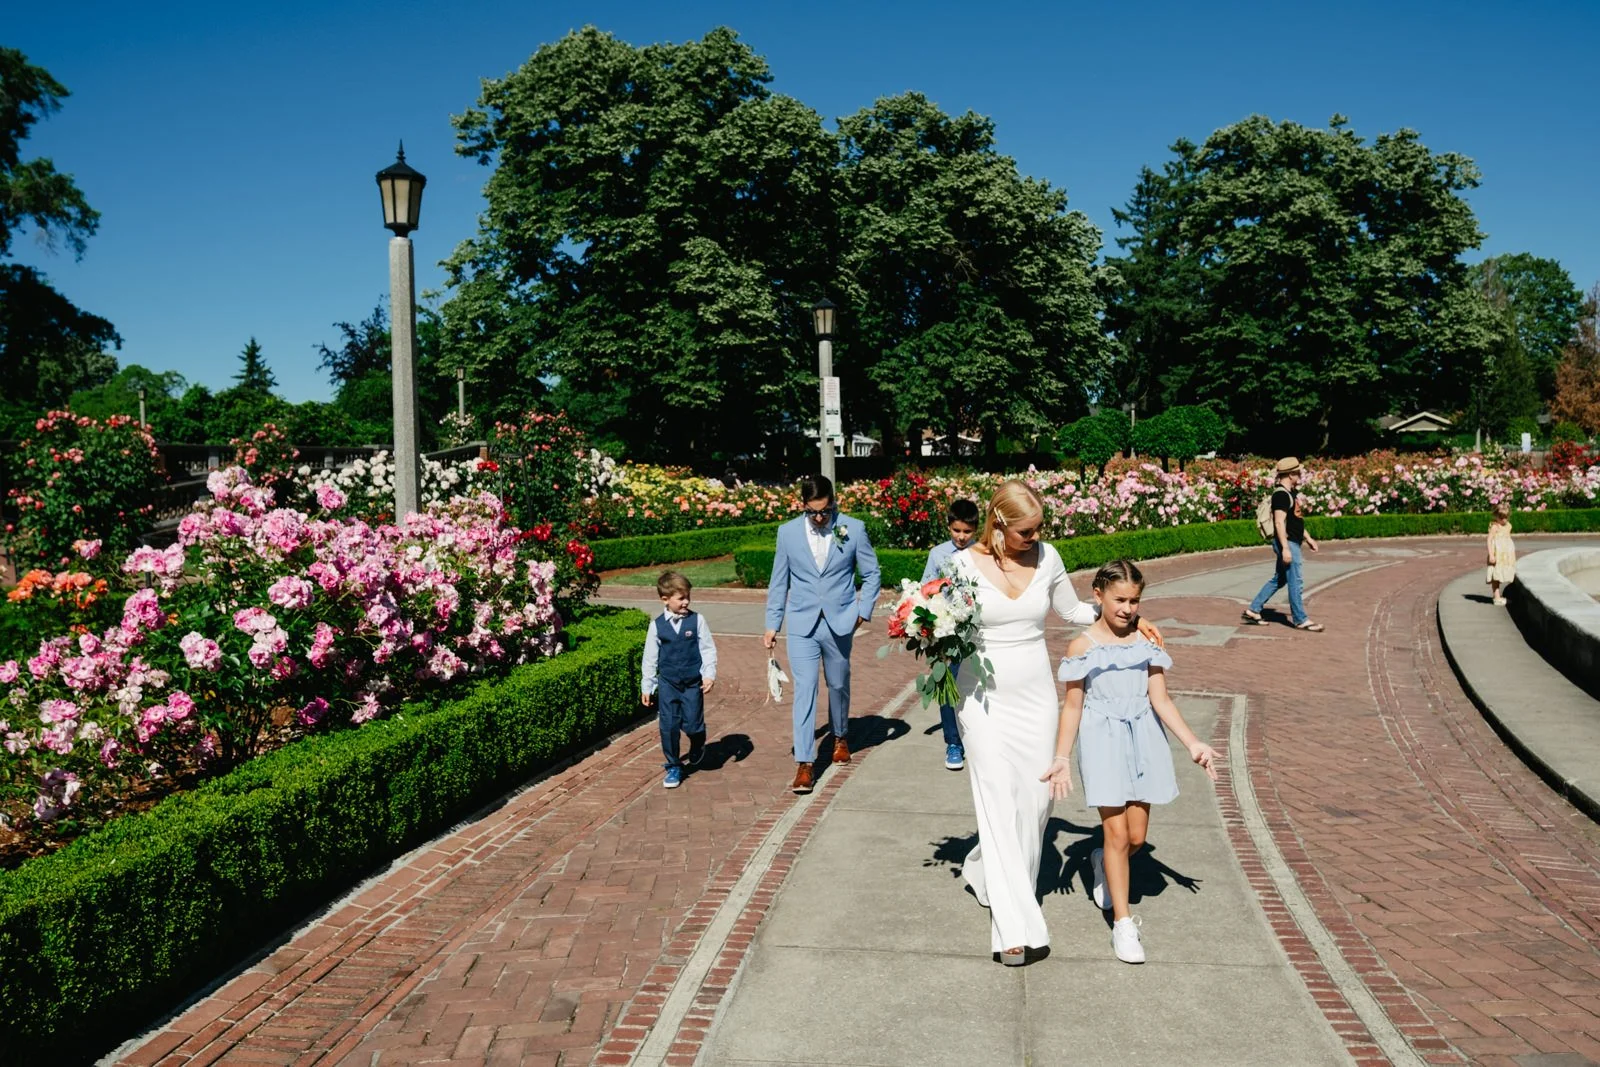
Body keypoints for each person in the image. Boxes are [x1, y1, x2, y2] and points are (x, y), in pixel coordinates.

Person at [949, 480, 1162, 965]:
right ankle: (1014, 929)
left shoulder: (1048, 558)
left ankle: (985, 869)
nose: (1036, 537)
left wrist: (1127, 619)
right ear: (999, 525)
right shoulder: (962, 565)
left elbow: (1073, 610)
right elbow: (938, 618)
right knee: (999, 802)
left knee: (1037, 802)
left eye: (1039, 528)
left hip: (1035, 696)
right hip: (980, 696)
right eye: (1026, 531)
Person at [1044, 559, 1218, 964]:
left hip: (1144, 738)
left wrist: (1193, 743)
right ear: (1098, 595)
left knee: (1136, 838)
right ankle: (1123, 925)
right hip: (1101, 738)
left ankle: (1100, 861)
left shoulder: (1148, 643)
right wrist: (1062, 757)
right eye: (1120, 599)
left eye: (1134, 600)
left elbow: (1161, 699)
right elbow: (1072, 707)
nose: (1127, 608)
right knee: (1117, 835)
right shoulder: (1081, 646)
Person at [764, 474, 882, 795]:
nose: (818, 518)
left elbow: (872, 573)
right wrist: (772, 624)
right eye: (811, 511)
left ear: (833, 503)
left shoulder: (853, 528)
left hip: (841, 622)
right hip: (802, 623)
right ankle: (805, 762)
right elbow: (779, 581)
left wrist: (862, 611)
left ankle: (841, 735)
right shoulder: (787, 533)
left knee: (839, 683)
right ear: (803, 505)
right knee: (805, 688)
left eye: (824, 511)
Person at [641, 571, 718, 789]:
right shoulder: (657, 626)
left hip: (692, 684)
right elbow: (650, 658)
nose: (686, 602)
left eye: (687, 597)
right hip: (668, 684)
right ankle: (673, 765)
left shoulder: (697, 621)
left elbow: (708, 649)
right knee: (668, 725)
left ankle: (697, 742)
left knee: (693, 725)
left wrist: (709, 674)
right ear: (665, 599)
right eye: (680, 598)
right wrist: (648, 685)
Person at [921, 498, 981, 771]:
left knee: (979, 687)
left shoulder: (983, 553)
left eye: (967, 532)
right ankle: (953, 742)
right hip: (947, 633)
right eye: (956, 530)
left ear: (976, 530)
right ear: (949, 526)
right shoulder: (938, 554)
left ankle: (978, 738)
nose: (961, 536)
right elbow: (926, 589)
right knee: (948, 686)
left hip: (977, 631)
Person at [1242, 456, 1324, 632]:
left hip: (1291, 542)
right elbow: (1279, 522)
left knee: (1279, 579)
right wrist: (1285, 548)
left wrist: (1308, 538)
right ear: (1290, 474)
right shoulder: (1280, 495)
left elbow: (1296, 521)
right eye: (1298, 472)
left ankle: (1253, 610)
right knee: (1296, 580)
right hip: (1287, 543)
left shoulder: (1289, 494)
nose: (1300, 475)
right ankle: (1300, 619)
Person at [1486, 503, 1517, 605]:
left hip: (1505, 556)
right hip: (1497, 555)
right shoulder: (1495, 527)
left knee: (1504, 574)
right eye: (1501, 517)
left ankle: (1501, 596)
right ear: (1496, 516)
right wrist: (1491, 555)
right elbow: (1489, 540)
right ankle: (1497, 597)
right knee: (1496, 575)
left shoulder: (1508, 526)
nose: (1504, 520)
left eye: (1506, 517)